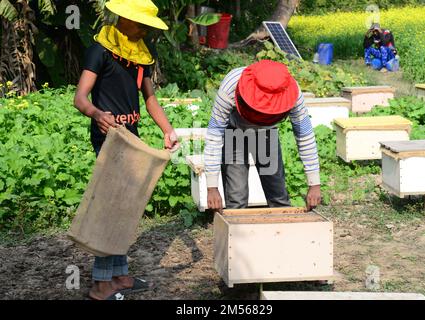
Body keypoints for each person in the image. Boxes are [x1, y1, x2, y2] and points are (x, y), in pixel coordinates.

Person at [73, 0, 179, 300]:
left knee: (126, 206)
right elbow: (80, 98)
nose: (144, 30)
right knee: (111, 207)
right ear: (122, 18)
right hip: (109, 138)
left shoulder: (143, 53)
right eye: (139, 23)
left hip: (132, 136)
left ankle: (118, 275)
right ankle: (101, 283)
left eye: (147, 25)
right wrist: (97, 114)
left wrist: (168, 130)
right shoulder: (100, 50)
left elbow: (150, 99)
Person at [205, 59, 321, 213]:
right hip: (235, 133)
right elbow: (214, 135)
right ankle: (239, 235)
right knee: (236, 198)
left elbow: (304, 134)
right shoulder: (230, 85)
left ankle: (282, 234)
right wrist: (212, 187)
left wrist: (314, 184)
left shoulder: (291, 91)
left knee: (278, 195)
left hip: (266, 135)